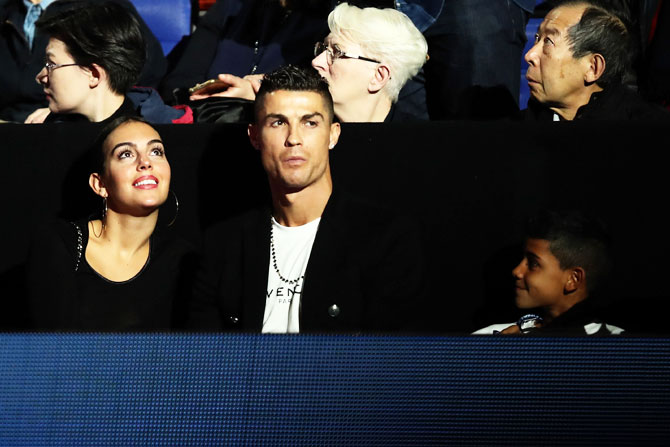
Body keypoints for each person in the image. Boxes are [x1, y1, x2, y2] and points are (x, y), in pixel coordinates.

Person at [189, 65, 425, 332]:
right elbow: (205, 361)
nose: (294, 139)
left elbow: (389, 362)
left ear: (333, 134)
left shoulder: (384, 238)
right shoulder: (224, 244)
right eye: (278, 122)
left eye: (309, 122)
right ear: (255, 136)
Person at [27, 116, 196, 330]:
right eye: (126, 154)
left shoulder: (183, 260)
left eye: (156, 152)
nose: (146, 162)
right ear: (100, 184)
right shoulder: (59, 244)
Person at [0, 0, 167, 123]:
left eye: (50, 64)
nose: (40, 77)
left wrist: (65, 113)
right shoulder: (7, 10)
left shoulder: (101, 9)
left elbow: (142, 68)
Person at [473, 209, 624, 335]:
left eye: (533, 263)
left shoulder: (620, 347)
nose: (517, 271)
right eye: (522, 260)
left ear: (573, 279)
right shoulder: (494, 337)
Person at [159, 0, 332, 104]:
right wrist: (212, 100)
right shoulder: (232, 7)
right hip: (206, 122)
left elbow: (322, 95)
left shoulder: (331, 23)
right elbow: (178, 83)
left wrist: (257, 97)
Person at [521, 0, 669, 121]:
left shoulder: (650, 137)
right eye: (537, 38)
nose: (529, 55)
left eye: (548, 41)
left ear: (593, 68)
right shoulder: (513, 133)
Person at [311, 2, 428, 122]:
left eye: (336, 52)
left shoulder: (420, 139)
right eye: (323, 49)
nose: (316, 62)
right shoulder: (305, 135)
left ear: (379, 76)